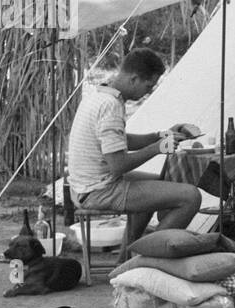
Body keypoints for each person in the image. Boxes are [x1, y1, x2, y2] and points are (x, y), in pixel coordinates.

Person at [66, 48, 201, 259]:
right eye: (148, 86)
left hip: (86, 185)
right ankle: (149, 258)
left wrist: (162, 135)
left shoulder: (100, 94)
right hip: (98, 190)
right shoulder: (110, 106)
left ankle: (125, 259)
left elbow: (120, 141)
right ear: (134, 78)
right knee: (191, 196)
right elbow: (118, 165)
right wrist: (158, 148)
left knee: (159, 184)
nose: (148, 92)